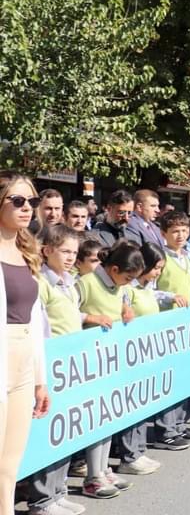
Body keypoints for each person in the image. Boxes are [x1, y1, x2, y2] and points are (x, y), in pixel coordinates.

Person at [77, 240, 155, 485]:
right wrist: (90, 317)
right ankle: (93, 474)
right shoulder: (86, 283)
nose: (130, 283)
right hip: (89, 361)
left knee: (108, 415)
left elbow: (120, 299)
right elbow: (66, 312)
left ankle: (102, 468)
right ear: (113, 270)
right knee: (95, 418)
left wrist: (125, 309)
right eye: (128, 277)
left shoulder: (118, 286)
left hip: (111, 360)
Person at [25, 225, 89, 514]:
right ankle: (42, 499)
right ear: (47, 250)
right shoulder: (40, 283)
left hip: (71, 364)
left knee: (66, 429)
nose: (70, 257)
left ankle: (58, 489)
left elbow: (72, 315)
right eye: (65, 251)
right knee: (49, 430)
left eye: (74, 252)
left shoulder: (70, 281)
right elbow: (40, 327)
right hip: (51, 363)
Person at [0, 174, 51, 513]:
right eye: (17, 201)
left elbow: (34, 321)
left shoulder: (26, 249)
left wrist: (39, 379)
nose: (27, 208)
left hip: (22, 361)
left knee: (8, 467)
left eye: (31, 201)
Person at [152, 210, 190, 450]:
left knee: (183, 375)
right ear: (164, 234)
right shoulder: (161, 258)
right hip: (166, 325)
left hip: (186, 324)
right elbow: (148, 289)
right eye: (175, 231)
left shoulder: (187, 256)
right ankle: (166, 430)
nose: (180, 235)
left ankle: (179, 424)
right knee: (168, 377)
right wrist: (170, 296)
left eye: (184, 230)